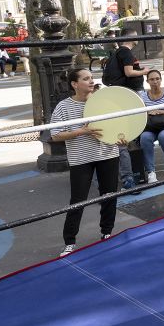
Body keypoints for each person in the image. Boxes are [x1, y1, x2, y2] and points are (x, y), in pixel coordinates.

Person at [50, 69, 120, 257]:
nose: (91, 81)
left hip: (108, 154)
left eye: (91, 78)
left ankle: (107, 233)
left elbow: (117, 125)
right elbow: (55, 135)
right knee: (77, 200)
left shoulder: (102, 101)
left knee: (109, 195)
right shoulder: (64, 106)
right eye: (86, 78)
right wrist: (82, 131)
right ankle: (69, 241)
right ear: (74, 84)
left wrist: (122, 138)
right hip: (81, 159)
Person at [104, 29, 151, 191]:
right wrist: (144, 71)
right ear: (132, 37)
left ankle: (132, 173)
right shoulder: (126, 52)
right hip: (131, 93)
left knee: (127, 136)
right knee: (135, 129)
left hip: (122, 93)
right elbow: (129, 72)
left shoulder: (118, 52)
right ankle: (137, 172)